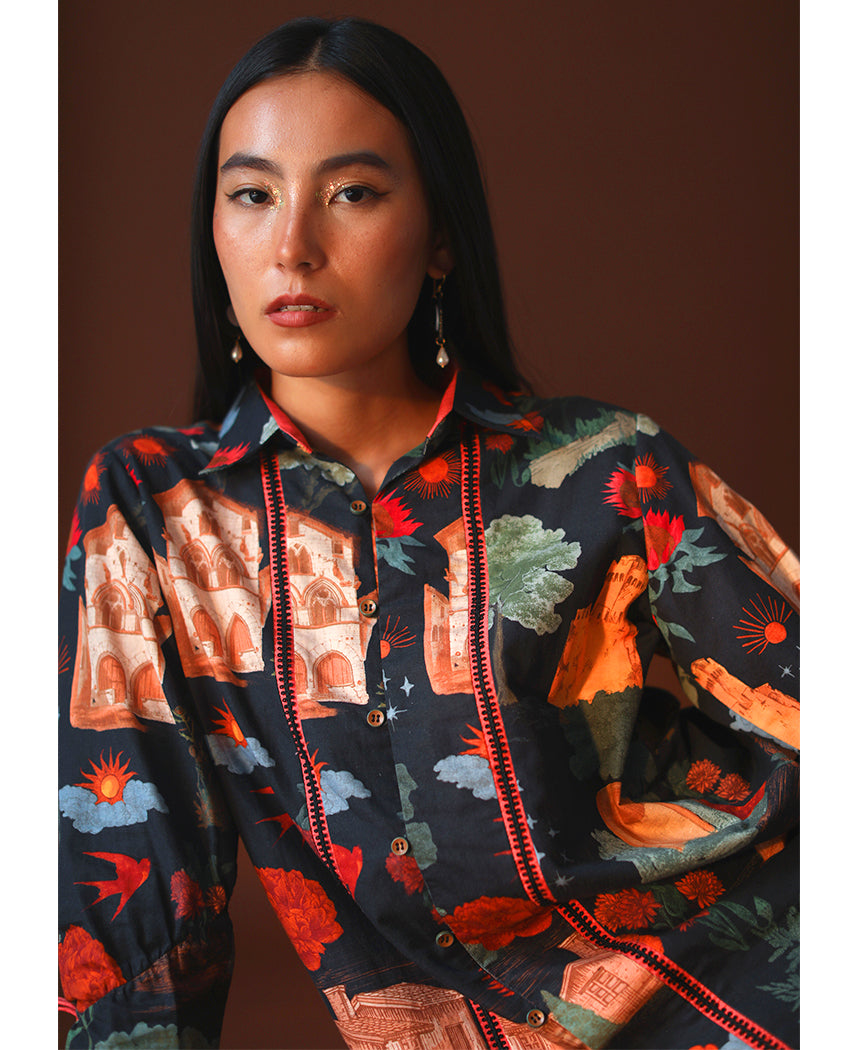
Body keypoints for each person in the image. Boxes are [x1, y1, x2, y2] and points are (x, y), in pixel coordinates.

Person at [58, 16, 799, 1050]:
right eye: (253, 194)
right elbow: (132, 904)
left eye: (352, 193)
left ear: (440, 234)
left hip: (745, 1004)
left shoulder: (609, 469)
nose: (292, 246)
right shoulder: (156, 509)